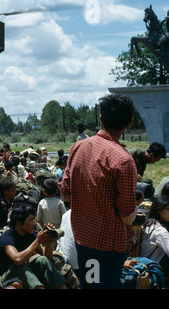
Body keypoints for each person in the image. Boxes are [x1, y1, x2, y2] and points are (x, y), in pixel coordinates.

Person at [59, 93, 138, 289]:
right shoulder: (124, 160)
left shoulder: (78, 147)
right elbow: (127, 213)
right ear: (128, 123)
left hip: (83, 239)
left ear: (101, 118)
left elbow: (66, 193)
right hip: (108, 246)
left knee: (90, 283)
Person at [0, 203, 67, 289]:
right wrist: (37, 241)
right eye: (31, 220)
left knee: (42, 260)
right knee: (20, 266)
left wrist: (48, 241)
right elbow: (17, 259)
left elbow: (47, 257)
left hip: (20, 273)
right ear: (19, 222)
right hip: (4, 278)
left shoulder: (29, 235)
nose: (34, 222)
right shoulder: (7, 237)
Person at [140, 196, 169, 276]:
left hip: (142, 265)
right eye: (168, 209)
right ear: (159, 210)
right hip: (151, 271)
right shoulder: (160, 232)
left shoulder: (148, 223)